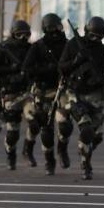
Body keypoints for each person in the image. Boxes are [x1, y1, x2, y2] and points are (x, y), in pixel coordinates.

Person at [58, 16, 104, 180]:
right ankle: (85, 164)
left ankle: (84, 149)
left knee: (96, 136)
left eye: (99, 36)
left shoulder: (103, 49)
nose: (95, 39)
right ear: (86, 31)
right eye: (92, 35)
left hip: (95, 95)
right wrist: (77, 61)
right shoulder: (73, 45)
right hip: (75, 93)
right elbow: (62, 68)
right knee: (86, 129)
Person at [22, 13, 73, 174]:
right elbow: (27, 69)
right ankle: (49, 161)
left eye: (57, 27)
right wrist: (47, 70)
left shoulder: (68, 45)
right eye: (51, 28)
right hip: (43, 91)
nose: (55, 31)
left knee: (64, 123)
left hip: (63, 89)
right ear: (45, 29)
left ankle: (62, 149)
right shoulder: (38, 47)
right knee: (45, 128)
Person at [0, 20, 32, 171]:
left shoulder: (31, 49)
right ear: (13, 34)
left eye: (26, 35)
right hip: (10, 93)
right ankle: (11, 155)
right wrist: (11, 68)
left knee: (35, 119)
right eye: (19, 35)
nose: (23, 38)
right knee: (12, 132)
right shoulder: (4, 49)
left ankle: (28, 149)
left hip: (27, 92)